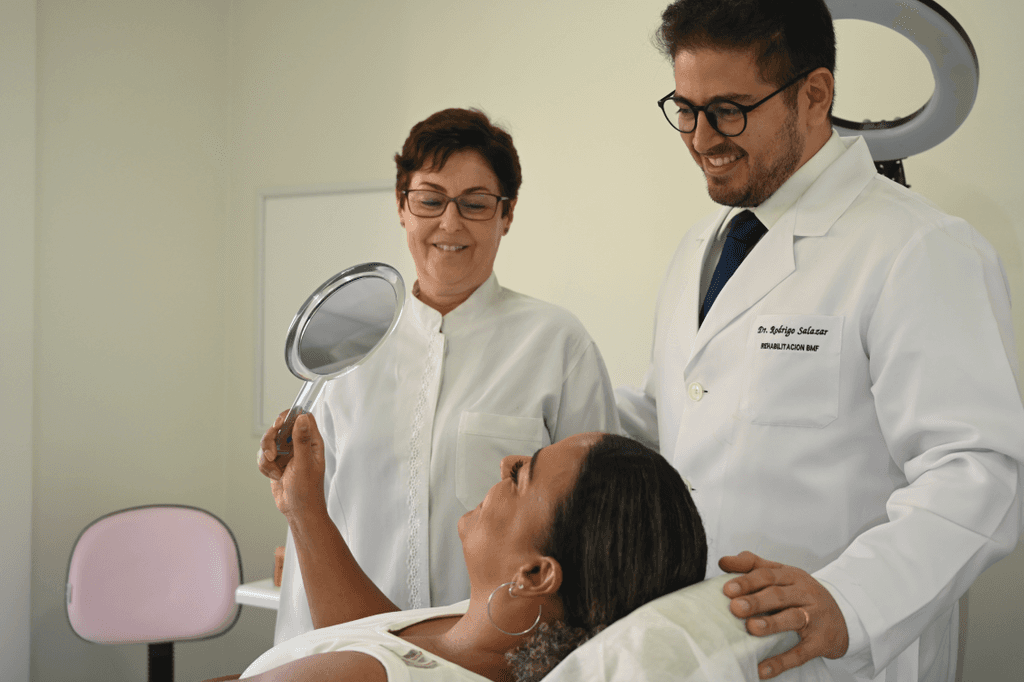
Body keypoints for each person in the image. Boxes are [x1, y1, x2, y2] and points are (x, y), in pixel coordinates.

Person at [616, 1, 1024, 680]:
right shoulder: (702, 248)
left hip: (844, 656)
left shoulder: (917, 247)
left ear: (815, 94)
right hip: (702, 646)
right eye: (685, 108)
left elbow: (977, 471)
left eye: (729, 108)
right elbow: (675, 416)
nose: (700, 137)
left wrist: (852, 600)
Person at [259, 107, 620, 644]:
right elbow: (316, 505)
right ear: (402, 208)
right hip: (339, 649)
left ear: (508, 214)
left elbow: (597, 525)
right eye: (430, 200)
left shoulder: (557, 345)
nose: (450, 224)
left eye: (475, 204)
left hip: (487, 658)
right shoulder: (347, 343)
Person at [236, 415, 706, 681]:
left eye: (524, 475)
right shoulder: (488, 637)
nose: (506, 463)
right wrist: (305, 510)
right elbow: (367, 637)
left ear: (535, 574)